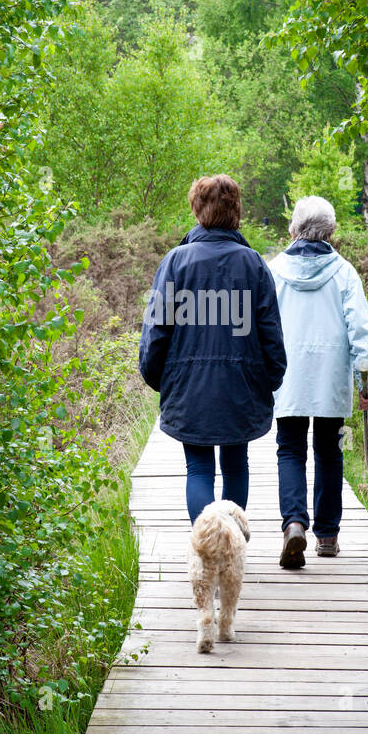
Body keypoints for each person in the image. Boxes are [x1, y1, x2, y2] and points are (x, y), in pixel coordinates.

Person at [139, 174, 287, 524]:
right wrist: (273, 376)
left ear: (197, 209)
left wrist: (157, 375)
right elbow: (270, 331)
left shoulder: (175, 262)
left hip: (190, 386)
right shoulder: (253, 264)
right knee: (236, 465)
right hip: (242, 385)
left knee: (199, 467)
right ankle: (231, 541)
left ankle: (206, 544)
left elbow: (157, 329)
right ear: (236, 211)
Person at [269, 195, 368, 569]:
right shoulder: (345, 272)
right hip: (331, 375)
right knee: (329, 451)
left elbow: (262, 327)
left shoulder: (273, 270)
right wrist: (366, 380)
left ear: (292, 230)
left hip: (289, 374)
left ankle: (294, 524)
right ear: (332, 232)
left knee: (290, 449)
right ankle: (328, 537)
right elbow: (361, 331)